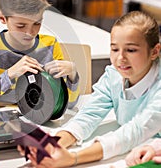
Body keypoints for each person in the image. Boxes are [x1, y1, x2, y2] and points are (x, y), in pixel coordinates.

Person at [23, 11, 161, 167]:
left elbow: (135, 132)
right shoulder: (114, 75)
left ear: (155, 51)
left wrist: (73, 158)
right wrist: (55, 143)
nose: (120, 58)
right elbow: (90, 113)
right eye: (115, 49)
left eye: (131, 50)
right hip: (134, 149)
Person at [0, 0, 80, 108]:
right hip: (0, 124)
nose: (29, 32)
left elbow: (68, 104)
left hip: (41, 122)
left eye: (37, 23)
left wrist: (72, 76)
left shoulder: (50, 45)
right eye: (21, 26)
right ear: (3, 18)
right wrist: (9, 75)